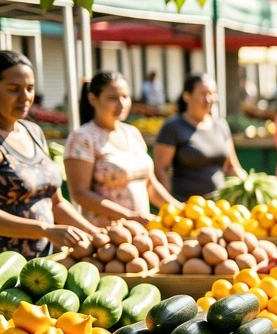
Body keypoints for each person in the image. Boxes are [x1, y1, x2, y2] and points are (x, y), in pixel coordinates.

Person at [0, 52, 98, 255]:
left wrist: (93, 232)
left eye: (30, 88)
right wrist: (45, 230)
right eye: (13, 89)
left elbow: (55, 202)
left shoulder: (33, 132)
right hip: (6, 265)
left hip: (43, 262)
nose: (25, 97)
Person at [66, 71, 179, 226]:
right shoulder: (82, 138)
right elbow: (80, 193)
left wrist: (178, 209)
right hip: (106, 233)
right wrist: (128, 216)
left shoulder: (132, 133)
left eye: (125, 97)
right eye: (112, 98)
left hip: (141, 230)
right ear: (93, 99)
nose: (121, 104)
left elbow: (150, 184)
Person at [153, 73, 244, 202]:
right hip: (186, 205)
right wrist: (172, 203)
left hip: (219, 206)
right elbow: (161, 170)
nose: (209, 99)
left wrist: (251, 185)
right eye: (203, 94)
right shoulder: (173, 127)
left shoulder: (221, 125)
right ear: (187, 96)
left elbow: (232, 167)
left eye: (212, 93)